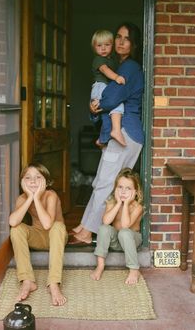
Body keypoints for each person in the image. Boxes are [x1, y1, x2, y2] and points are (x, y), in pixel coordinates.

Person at [68, 22, 144, 245]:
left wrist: (96, 104)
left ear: (134, 44)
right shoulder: (116, 66)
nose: (120, 41)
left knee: (105, 182)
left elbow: (111, 99)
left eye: (126, 38)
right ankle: (84, 224)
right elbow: (106, 102)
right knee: (101, 180)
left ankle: (87, 233)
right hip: (122, 133)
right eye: (118, 37)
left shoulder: (129, 68)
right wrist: (94, 109)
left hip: (125, 133)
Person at [9, 162, 68, 306]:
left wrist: (37, 197)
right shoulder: (22, 198)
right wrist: (29, 197)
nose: (33, 181)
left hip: (56, 237)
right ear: (22, 182)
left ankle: (53, 283)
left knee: (58, 226)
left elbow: (48, 224)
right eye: (28, 178)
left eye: (38, 177)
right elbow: (13, 221)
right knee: (16, 229)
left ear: (46, 182)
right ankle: (27, 280)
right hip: (37, 236)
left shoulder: (50, 195)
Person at [90, 168, 143, 284]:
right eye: (120, 187)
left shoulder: (137, 207)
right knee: (104, 228)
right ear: (115, 189)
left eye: (128, 188)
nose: (123, 191)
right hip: (116, 241)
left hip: (132, 241)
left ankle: (134, 269)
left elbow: (125, 226)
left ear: (135, 192)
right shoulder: (112, 203)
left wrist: (126, 204)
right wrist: (118, 203)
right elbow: (106, 221)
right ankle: (100, 265)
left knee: (124, 232)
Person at [90, 29, 126, 147]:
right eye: (99, 45)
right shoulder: (98, 59)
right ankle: (115, 130)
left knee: (106, 115)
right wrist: (116, 77)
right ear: (94, 47)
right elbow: (105, 70)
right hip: (100, 86)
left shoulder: (111, 60)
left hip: (104, 87)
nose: (103, 48)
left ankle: (102, 139)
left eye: (107, 45)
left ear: (112, 45)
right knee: (117, 104)